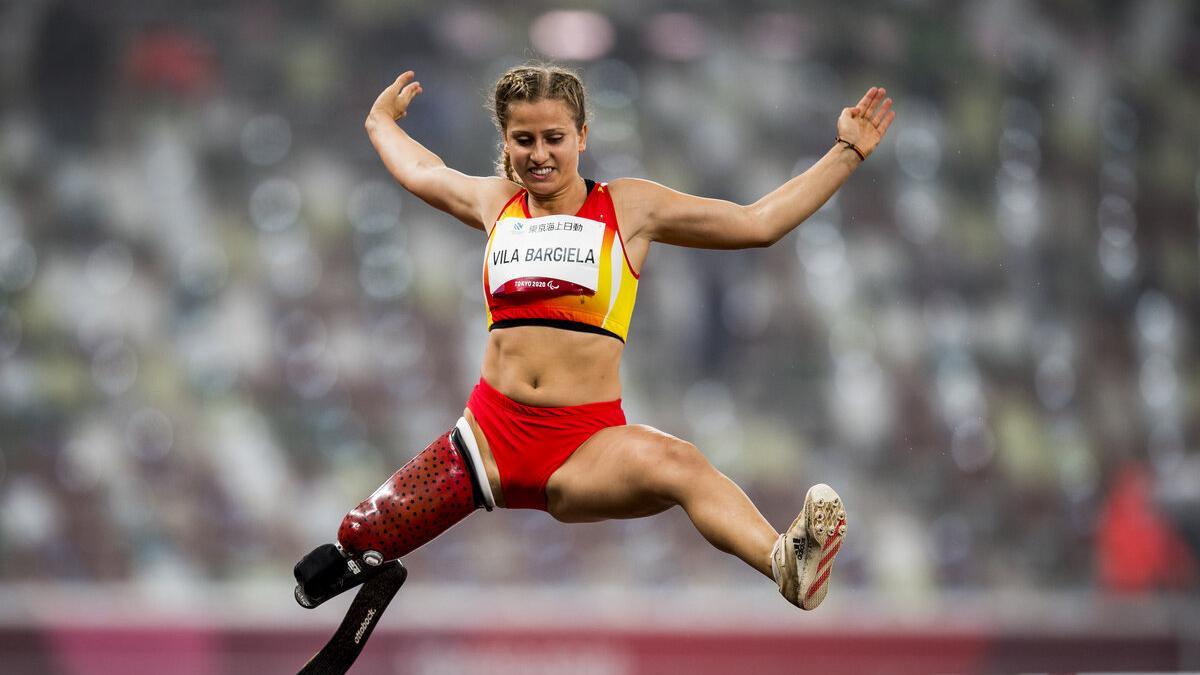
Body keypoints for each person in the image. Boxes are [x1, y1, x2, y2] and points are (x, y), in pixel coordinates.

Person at [293, 63, 894, 612]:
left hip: (582, 447)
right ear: (505, 143)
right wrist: (378, 122)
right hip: (484, 441)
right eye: (523, 140)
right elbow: (423, 170)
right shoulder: (495, 202)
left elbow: (756, 223)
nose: (539, 154)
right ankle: (338, 580)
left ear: (581, 135)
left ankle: (784, 563)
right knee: (350, 544)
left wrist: (846, 152)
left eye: (554, 137)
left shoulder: (629, 207)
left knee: (680, 464)